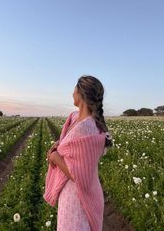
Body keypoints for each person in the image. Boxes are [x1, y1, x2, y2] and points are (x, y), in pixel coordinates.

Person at [45, 75, 113, 231]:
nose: (72, 93)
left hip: (76, 200)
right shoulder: (75, 118)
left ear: (81, 93)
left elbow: (79, 175)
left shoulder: (86, 127)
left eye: (74, 89)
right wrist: (58, 146)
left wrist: (55, 157)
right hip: (69, 195)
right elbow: (70, 146)